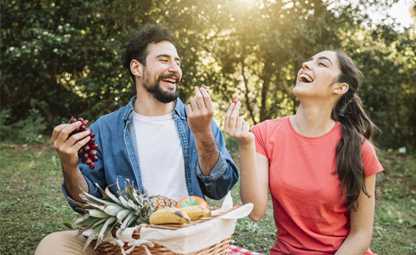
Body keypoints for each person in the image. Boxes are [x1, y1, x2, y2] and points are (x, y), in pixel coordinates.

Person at [35, 24, 238, 255]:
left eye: (177, 62)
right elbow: (85, 205)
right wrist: (69, 165)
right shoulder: (105, 128)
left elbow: (220, 189)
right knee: (53, 245)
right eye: (164, 60)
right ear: (136, 67)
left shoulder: (200, 121)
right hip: (127, 241)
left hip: (186, 240)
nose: (175, 69)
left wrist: (203, 135)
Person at [224, 50, 383, 255]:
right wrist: (246, 145)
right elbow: (255, 211)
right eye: (308, 60)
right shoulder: (264, 134)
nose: (306, 65)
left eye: (322, 63)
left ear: (340, 87)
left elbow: (361, 235)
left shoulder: (359, 149)